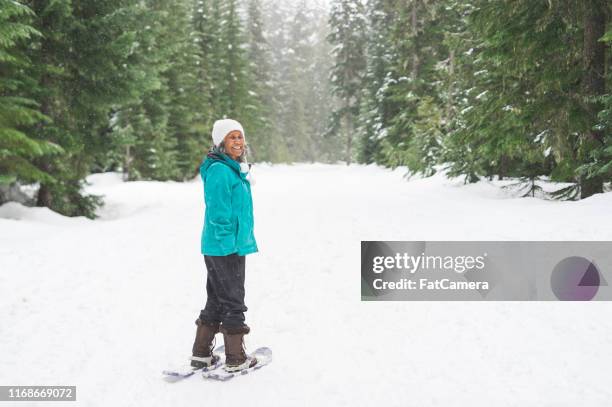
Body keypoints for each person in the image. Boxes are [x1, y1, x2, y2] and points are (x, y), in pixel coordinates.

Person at [190, 118, 258, 373]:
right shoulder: (220, 170)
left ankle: (201, 354)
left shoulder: (230, 168)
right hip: (225, 246)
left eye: (240, 136)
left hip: (223, 244)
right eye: (232, 137)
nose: (238, 142)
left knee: (217, 298)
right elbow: (218, 212)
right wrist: (229, 243)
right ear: (221, 142)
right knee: (233, 299)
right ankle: (235, 357)